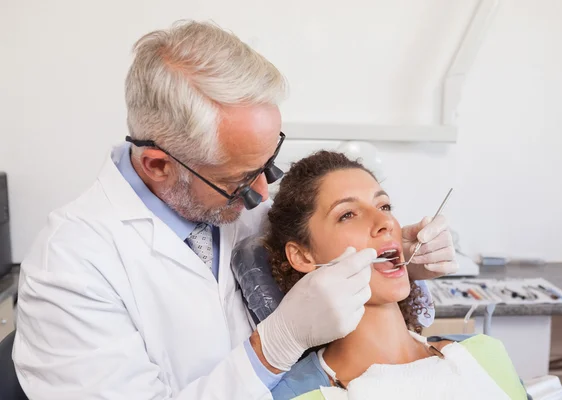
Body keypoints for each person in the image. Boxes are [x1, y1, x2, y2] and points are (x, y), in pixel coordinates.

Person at [13, 21, 458, 400]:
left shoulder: (230, 205)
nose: (264, 195)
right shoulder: (70, 267)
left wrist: (401, 261)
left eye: (269, 164)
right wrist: (273, 347)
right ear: (158, 165)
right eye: (240, 181)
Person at [265, 151, 527, 400]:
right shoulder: (298, 395)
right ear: (302, 256)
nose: (385, 222)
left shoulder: (486, 353)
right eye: (347, 214)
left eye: (385, 206)